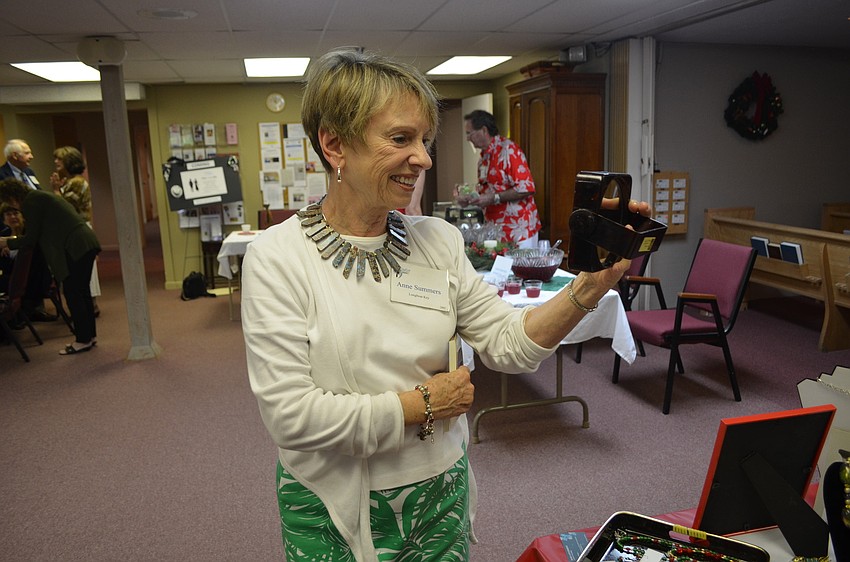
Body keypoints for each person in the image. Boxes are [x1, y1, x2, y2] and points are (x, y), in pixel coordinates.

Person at [241, 48, 650, 561]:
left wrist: (591, 286)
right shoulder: (277, 257)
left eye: (424, 140)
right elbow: (291, 417)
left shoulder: (438, 240)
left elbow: (510, 346)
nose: (424, 159)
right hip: (332, 505)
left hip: (439, 497)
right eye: (401, 139)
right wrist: (423, 404)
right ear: (334, 144)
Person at [0, 178, 101, 355]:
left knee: (73, 293)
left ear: (12, 197)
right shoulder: (39, 197)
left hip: (75, 245)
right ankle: (88, 336)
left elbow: (31, 238)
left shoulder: (30, 202)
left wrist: (7, 242)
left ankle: (83, 340)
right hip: (85, 241)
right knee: (82, 292)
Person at [456, 110, 541, 249]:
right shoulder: (483, 158)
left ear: (484, 130)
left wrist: (494, 198)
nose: (467, 138)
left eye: (469, 133)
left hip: (519, 231)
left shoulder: (509, 150)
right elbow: (488, 190)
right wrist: (469, 199)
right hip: (496, 231)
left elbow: (526, 188)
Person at [51, 146, 101, 315]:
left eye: (60, 159)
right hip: (77, 230)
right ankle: (87, 308)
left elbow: (66, 209)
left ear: (70, 161)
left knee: (82, 278)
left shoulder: (77, 182)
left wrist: (56, 191)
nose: (56, 161)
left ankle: (88, 309)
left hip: (78, 232)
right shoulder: (70, 181)